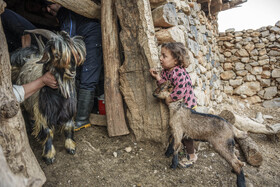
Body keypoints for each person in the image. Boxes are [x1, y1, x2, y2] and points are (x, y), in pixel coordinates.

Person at [46, 2, 103, 131]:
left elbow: (68, 35)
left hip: (91, 38)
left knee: (88, 76)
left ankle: (82, 119)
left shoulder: (66, 11)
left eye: (51, 4)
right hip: (83, 41)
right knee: (79, 75)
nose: (49, 9)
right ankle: (76, 113)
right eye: (47, 7)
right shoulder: (64, 14)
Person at [149, 42, 198, 168]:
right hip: (177, 108)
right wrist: (158, 77)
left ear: (176, 60)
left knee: (186, 133)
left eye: (164, 56)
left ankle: (192, 155)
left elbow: (180, 92)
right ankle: (173, 148)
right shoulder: (166, 71)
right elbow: (165, 86)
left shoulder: (179, 73)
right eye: (161, 55)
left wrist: (169, 98)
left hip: (187, 106)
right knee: (175, 129)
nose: (160, 58)